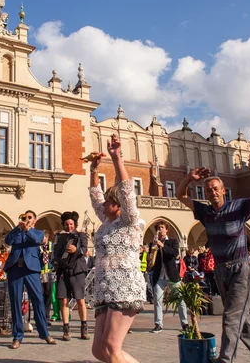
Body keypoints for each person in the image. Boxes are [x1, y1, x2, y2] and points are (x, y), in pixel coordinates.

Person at [176, 153, 250, 363]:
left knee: (231, 317)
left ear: (223, 191)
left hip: (241, 269)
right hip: (221, 270)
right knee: (242, 320)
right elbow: (180, 195)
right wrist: (189, 178)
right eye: (208, 189)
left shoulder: (239, 207)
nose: (212, 191)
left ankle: (225, 359)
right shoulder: (204, 211)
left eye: (215, 188)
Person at [88, 134, 145, 363]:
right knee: (99, 350)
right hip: (105, 289)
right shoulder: (106, 223)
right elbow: (94, 197)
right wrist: (93, 169)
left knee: (112, 347)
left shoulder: (128, 221)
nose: (102, 205)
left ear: (118, 205)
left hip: (124, 287)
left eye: (107, 202)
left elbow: (127, 190)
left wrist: (116, 158)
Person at [4, 210, 56, 350]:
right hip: (15, 268)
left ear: (34, 220)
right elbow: (7, 241)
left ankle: (44, 333)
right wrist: (18, 228)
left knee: (38, 300)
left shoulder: (38, 232)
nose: (26, 219)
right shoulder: (17, 231)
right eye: (25, 217)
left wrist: (27, 229)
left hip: (31, 269)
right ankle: (17, 336)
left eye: (29, 217)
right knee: (15, 302)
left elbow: (38, 240)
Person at [54, 211, 90, 341]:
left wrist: (77, 250)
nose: (69, 226)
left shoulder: (81, 236)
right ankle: (66, 328)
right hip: (63, 271)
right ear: (63, 225)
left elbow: (85, 249)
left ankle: (84, 327)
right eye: (66, 224)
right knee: (63, 300)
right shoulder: (60, 237)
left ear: (74, 224)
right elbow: (56, 253)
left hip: (77, 271)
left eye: (71, 224)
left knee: (80, 300)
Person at [148, 221, 188, 333]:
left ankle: (185, 323)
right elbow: (152, 261)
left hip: (172, 276)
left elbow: (174, 254)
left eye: (162, 227)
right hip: (159, 276)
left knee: (180, 300)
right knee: (157, 300)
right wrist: (150, 256)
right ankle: (158, 324)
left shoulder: (172, 241)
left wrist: (163, 246)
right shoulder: (153, 243)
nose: (160, 229)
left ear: (166, 230)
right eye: (158, 228)